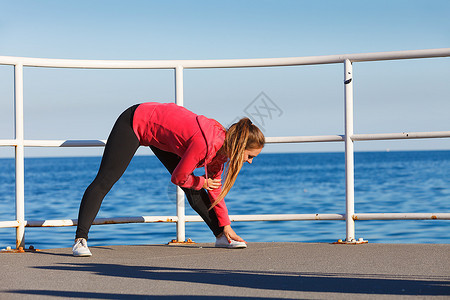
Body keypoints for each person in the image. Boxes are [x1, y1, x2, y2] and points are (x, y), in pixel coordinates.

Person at [72, 102, 265, 256]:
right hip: (135, 120)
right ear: (240, 146)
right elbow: (179, 177)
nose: (249, 162)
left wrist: (226, 225)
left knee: (193, 188)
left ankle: (221, 236)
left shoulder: (221, 152)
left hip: (159, 133)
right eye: (250, 156)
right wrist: (201, 182)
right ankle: (80, 239)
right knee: (105, 181)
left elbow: (215, 189)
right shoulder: (205, 144)